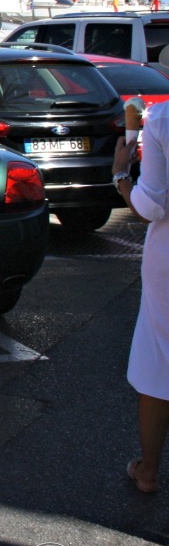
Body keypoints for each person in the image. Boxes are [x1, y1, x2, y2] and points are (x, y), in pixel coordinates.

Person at [113, 103, 169, 493]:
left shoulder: (163, 119)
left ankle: (148, 470)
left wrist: (120, 174)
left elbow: (150, 206)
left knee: (158, 360)